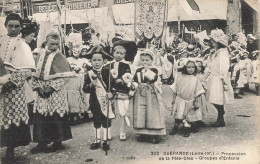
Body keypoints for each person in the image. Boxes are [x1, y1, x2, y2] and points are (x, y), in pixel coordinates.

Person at [30, 32, 74, 154]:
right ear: (46, 42)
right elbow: (34, 73)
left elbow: (65, 76)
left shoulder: (60, 56)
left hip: (55, 91)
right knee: (41, 115)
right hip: (41, 89)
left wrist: (51, 88)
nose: (54, 46)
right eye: (51, 44)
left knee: (55, 115)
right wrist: (38, 87)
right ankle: (42, 142)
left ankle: (57, 141)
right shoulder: (40, 55)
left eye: (56, 44)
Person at [0, 13, 35, 161]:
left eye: (17, 26)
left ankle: (10, 149)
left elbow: (27, 70)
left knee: (13, 118)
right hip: (0, 87)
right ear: (5, 26)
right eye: (11, 26)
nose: (13, 29)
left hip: (15, 88)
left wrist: (11, 82)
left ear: (21, 28)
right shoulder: (0, 42)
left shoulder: (24, 45)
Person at [83, 46, 115, 151]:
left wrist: (112, 93)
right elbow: (85, 89)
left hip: (106, 100)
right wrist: (91, 85)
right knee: (96, 120)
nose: (97, 62)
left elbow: (113, 85)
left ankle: (105, 140)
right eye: (94, 60)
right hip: (95, 101)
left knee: (106, 120)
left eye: (99, 60)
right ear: (90, 61)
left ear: (103, 61)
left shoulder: (107, 72)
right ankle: (97, 140)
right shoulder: (88, 74)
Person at [131, 49, 166, 143]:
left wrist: (147, 70)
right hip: (140, 93)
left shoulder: (154, 69)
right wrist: (133, 85)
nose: (145, 62)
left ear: (152, 60)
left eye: (147, 60)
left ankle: (155, 134)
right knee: (141, 112)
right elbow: (135, 80)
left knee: (152, 111)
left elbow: (153, 79)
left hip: (151, 93)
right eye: (143, 60)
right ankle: (143, 133)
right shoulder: (138, 70)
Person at [108, 40, 137, 141]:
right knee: (109, 111)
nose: (119, 55)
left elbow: (130, 77)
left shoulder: (127, 65)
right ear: (113, 53)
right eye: (117, 53)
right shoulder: (109, 65)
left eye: (121, 53)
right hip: (111, 91)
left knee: (122, 112)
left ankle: (122, 130)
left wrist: (125, 82)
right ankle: (108, 131)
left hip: (123, 91)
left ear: (125, 54)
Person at [170, 58, 205, 137]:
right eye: (188, 67)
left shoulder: (195, 79)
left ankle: (187, 129)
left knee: (189, 115)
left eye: (193, 67)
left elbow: (198, 91)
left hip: (190, 100)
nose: (191, 69)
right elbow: (175, 88)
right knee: (178, 115)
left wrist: (196, 100)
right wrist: (174, 98)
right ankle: (175, 127)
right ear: (184, 67)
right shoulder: (179, 77)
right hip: (180, 99)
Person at [206, 29, 234, 127]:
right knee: (213, 99)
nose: (212, 43)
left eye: (213, 41)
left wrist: (223, 78)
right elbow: (211, 65)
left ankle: (221, 117)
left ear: (218, 42)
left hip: (219, 78)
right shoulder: (217, 52)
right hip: (214, 77)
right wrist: (210, 56)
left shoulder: (223, 52)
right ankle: (220, 115)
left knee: (217, 99)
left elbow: (224, 66)